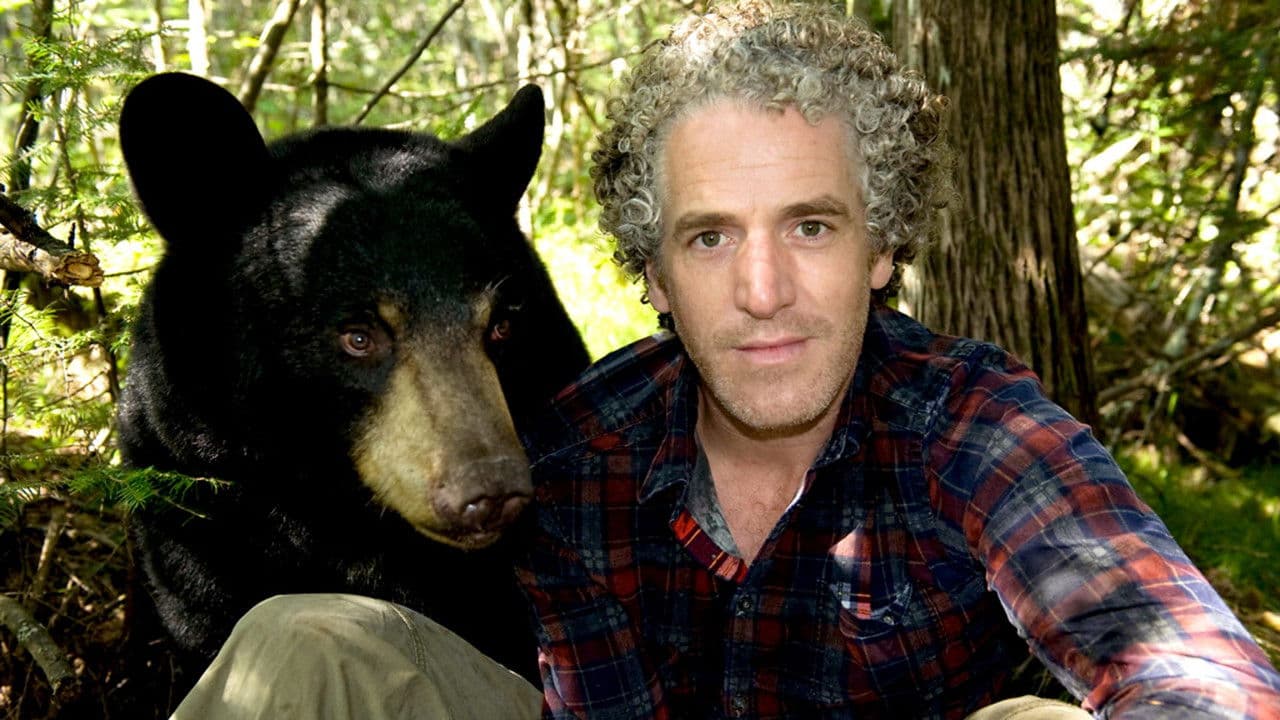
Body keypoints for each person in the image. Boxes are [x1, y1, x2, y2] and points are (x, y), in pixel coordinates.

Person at [173, 1, 1280, 718]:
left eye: (811, 226)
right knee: (308, 647)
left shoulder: (973, 427)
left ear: (882, 248)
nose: (762, 290)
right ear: (654, 275)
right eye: (709, 238)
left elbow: (1181, 660)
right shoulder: (575, 454)